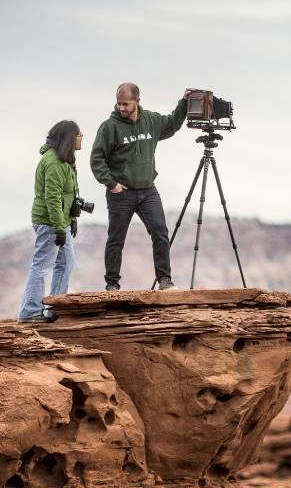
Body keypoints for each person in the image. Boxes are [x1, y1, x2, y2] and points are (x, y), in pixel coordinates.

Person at [90, 82, 189, 291]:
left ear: (137, 101)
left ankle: (165, 280)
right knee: (116, 239)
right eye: (118, 104)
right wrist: (112, 184)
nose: (121, 108)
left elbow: (171, 124)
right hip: (121, 193)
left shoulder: (151, 121)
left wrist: (184, 103)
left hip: (148, 191)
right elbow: (96, 159)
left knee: (160, 232)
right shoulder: (109, 127)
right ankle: (112, 284)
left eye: (125, 104)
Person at [17, 121, 82, 322]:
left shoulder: (64, 160)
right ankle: (29, 312)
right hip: (50, 223)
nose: (81, 140)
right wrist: (58, 227)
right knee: (42, 266)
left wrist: (71, 218)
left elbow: (66, 194)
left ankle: (56, 308)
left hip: (60, 221)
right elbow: (52, 197)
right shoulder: (54, 162)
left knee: (66, 263)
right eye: (79, 136)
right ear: (70, 138)